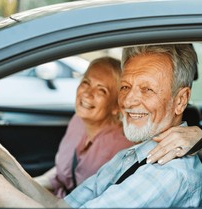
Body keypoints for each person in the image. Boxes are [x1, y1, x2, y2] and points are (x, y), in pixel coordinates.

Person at [0, 43, 202, 209]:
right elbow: (60, 208)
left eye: (147, 89)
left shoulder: (166, 174)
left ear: (180, 100)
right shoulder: (134, 155)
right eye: (126, 87)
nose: (128, 99)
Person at [34, 57, 133, 198]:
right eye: (86, 82)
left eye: (102, 90)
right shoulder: (78, 121)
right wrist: (32, 183)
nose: (87, 93)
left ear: (116, 106)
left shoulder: (120, 148)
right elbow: (63, 173)